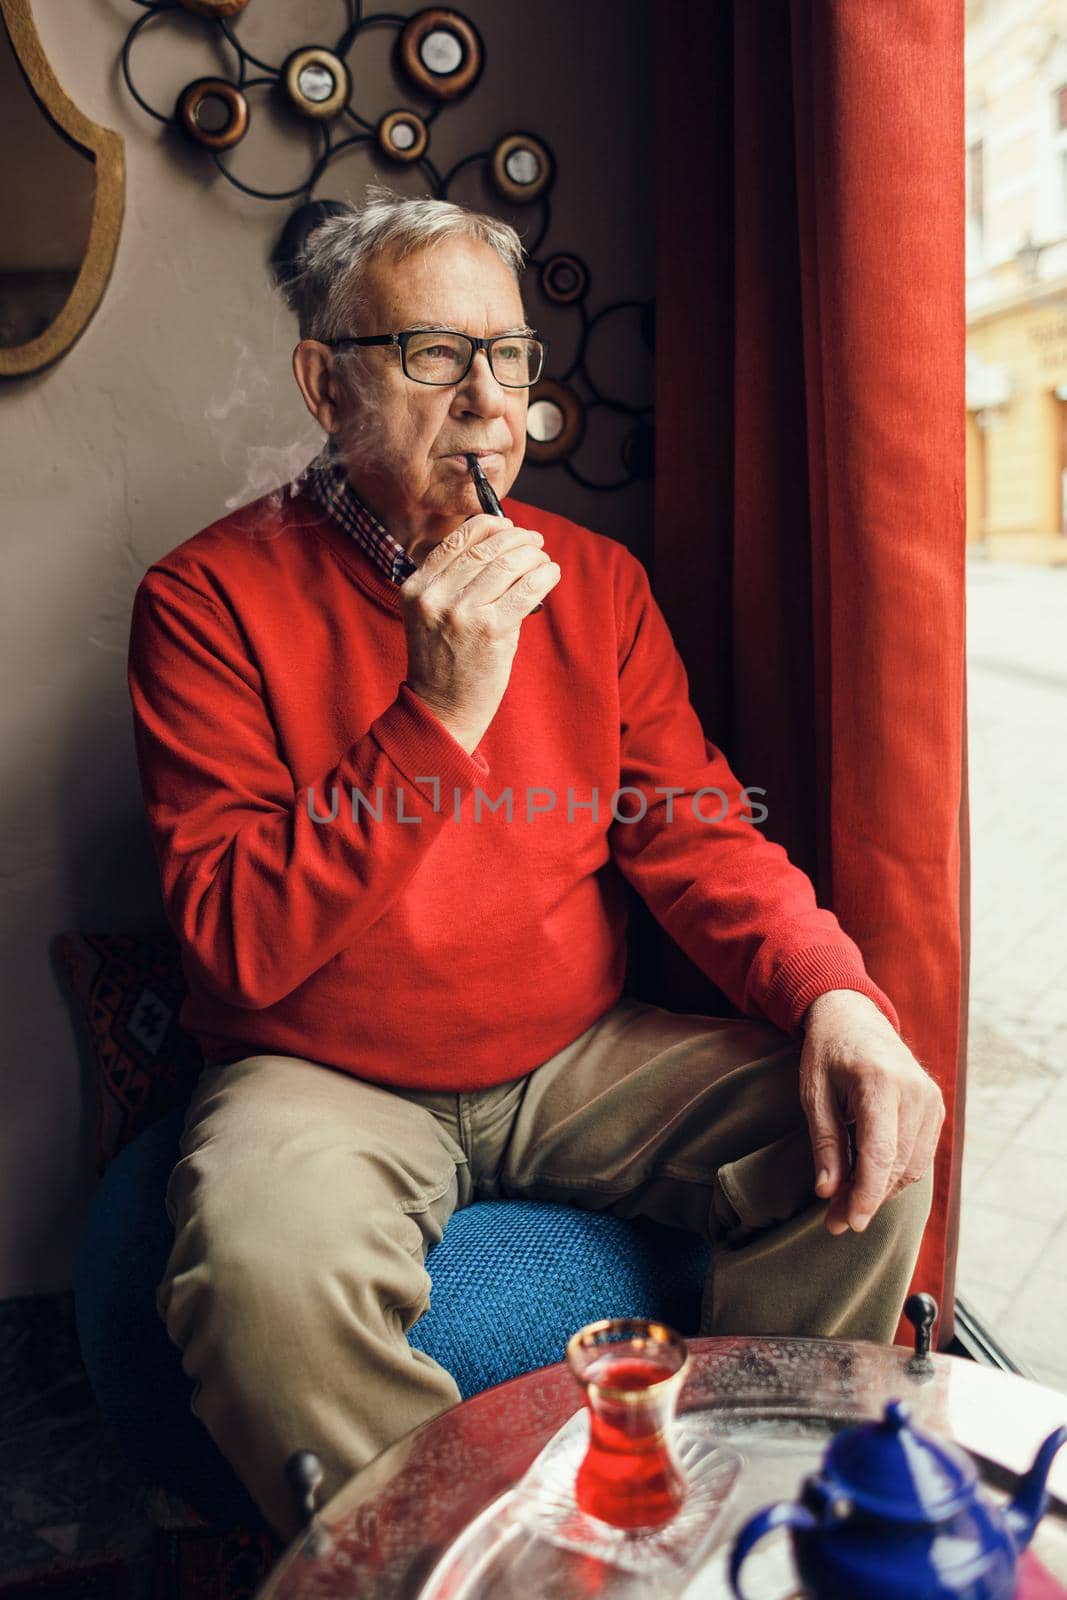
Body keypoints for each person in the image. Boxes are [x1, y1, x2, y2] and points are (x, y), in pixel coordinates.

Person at [127, 190, 944, 1538]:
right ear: (326, 384)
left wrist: (834, 993)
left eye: (509, 357)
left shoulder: (597, 582)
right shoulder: (203, 602)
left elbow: (695, 826)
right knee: (255, 1270)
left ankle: (736, 1522)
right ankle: (458, 1563)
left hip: (576, 1055)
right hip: (321, 1069)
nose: (490, 401)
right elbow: (234, 944)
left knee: (872, 1129)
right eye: (434, 354)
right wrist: (434, 717)